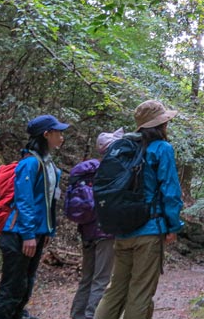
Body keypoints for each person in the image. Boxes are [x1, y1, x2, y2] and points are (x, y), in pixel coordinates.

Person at [94, 100, 184, 319]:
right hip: (149, 230)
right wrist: (173, 225)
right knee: (140, 293)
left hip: (122, 229)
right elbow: (171, 191)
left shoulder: (125, 147)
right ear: (160, 124)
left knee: (115, 290)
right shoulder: (161, 148)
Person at [0, 114, 69, 319]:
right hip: (19, 234)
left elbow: (48, 201)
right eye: (59, 132)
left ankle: (19, 315)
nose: (62, 136)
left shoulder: (49, 165)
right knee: (12, 287)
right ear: (46, 134)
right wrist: (28, 234)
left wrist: (47, 230)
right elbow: (24, 200)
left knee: (27, 281)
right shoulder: (30, 164)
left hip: (35, 232)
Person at [69, 128, 123, 319]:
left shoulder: (89, 170)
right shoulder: (112, 171)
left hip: (87, 230)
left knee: (86, 279)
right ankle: (92, 315)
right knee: (101, 279)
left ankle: (77, 315)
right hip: (105, 232)